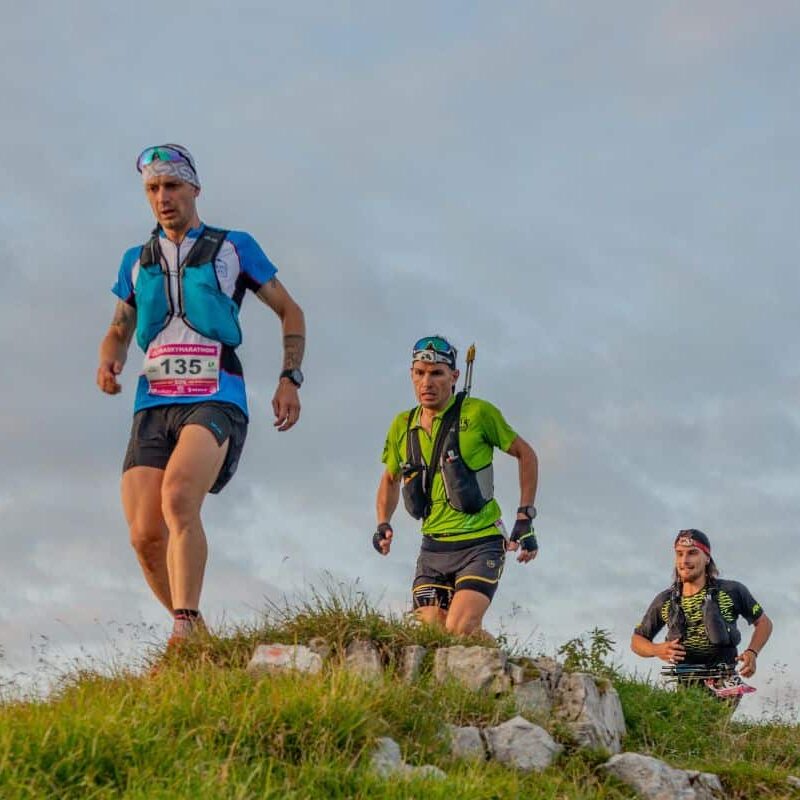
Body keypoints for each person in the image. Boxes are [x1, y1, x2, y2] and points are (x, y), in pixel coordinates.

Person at [96, 143, 305, 646]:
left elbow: (290, 311)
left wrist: (288, 377)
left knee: (178, 497)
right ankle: (198, 634)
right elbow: (119, 326)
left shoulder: (234, 247)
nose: (163, 198)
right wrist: (110, 357)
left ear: (194, 189)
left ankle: (184, 627)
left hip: (216, 394)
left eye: (172, 186)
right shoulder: (135, 260)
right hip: (153, 401)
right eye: (152, 189)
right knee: (144, 535)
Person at [374, 335, 539, 636]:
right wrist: (383, 523)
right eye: (420, 373)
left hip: (481, 543)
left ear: (454, 376)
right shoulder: (402, 425)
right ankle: (501, 665)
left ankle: (501, 668)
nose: (427, 382)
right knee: (432, 635)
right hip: (433, 549)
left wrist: (524, 517)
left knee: (459, 627)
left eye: (436, 373)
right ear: (411, 374)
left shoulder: (479, 413)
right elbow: (389, 479)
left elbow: (525, 454)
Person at [631, 529, 772, 695]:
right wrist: (657, 649)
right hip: (687, 684)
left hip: (724, 682)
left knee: (712, 720)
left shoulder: (732, 591)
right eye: (679, 554)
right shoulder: (665, 600)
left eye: (692, 553)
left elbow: (764, 623)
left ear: (707, 558)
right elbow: (637, 640)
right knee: (687, 717)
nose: (684, 560)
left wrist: (752, 652)